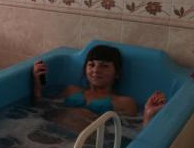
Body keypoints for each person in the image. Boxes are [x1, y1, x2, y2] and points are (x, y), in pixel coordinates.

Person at [32, 45, 166, 125]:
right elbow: (42, 108)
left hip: (83, 146)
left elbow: (132, 135)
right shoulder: (71, 91)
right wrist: (38, 86)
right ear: (85, 69)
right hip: (50, 132)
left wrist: (148, 116)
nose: (96, 70)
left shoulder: (124, 103)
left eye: (104, 66)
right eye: (91, 65)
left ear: (117, 73)